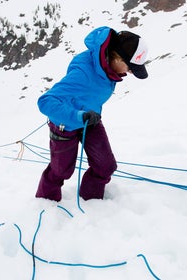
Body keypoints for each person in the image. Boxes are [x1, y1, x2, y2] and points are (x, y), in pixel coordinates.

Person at [35, 26, 149, 201]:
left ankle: (91, 202)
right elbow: (45, 102)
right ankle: (44, 203)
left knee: (106, 166)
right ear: (117, 57)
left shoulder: (109, 68)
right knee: (61, 171)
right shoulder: (83, 74)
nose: (128, 73)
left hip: (91, 120)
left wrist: (88, 115)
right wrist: (78, 116)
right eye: (130, 67)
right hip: (66, 124)